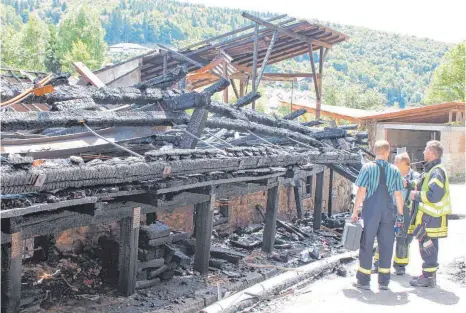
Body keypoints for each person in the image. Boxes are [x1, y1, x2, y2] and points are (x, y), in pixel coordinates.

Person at [351, 140, 404, 290]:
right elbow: (398, 195)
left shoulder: (367, 168)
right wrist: (400, 214)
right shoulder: (395, 170)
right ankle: (384, 282)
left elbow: (361, 190)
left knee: (366, 243)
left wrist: (355, 211)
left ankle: (363, 281)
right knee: (386, 245)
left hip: (371, 211)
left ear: (374, 151)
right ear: (387, 153)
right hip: (388, 211)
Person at [409, 140, 451, 287]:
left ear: (432, 153)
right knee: (427, 245)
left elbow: (434, 196)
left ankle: (428, 278)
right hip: (429, 218)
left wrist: (416, 195)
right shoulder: (432, 170)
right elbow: (423, 184)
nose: (424, 152)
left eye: (426, 150)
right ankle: (428, 275)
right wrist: (409, 185)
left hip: (432, 218)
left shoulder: (437, 171)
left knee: (428, 247)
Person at [372, 152, 420, 275]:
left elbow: (418, 188)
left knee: (402, 238)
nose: (394, 164)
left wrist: (408, 184)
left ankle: (400, 266)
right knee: (384, 236)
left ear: (405, 163)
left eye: (397, 162)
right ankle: (378, 263)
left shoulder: (415, 176)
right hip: (389, 208)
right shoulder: (392, 174)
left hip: (406, 211)